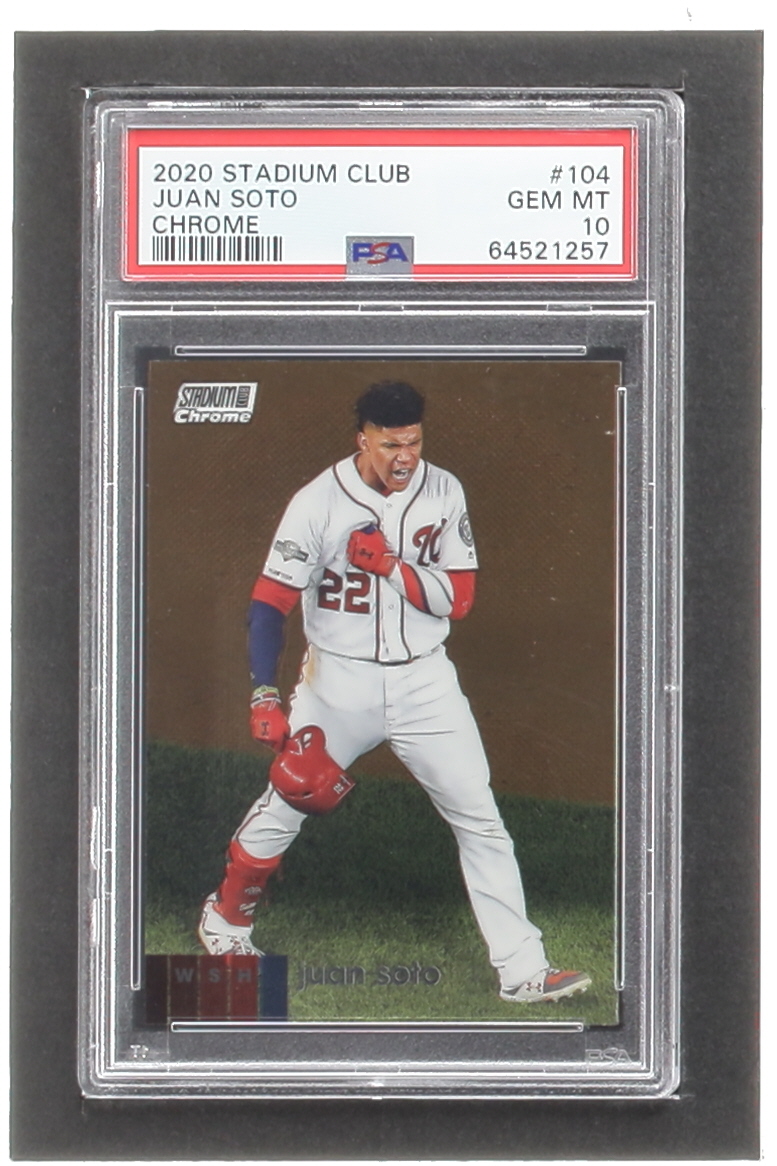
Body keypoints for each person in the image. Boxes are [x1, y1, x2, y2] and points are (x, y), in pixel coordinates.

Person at [198, 381, 591, 1003]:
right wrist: (263, 692)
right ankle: (225, 919)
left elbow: (459, 600)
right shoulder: (317, 502)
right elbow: (269, 603)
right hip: (337, 681)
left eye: (413, 442)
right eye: (390, 445)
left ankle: (524, 971)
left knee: (481, 820)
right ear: (363, 439)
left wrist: (389, 567)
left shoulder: (445, 491)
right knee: (291, 798)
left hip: (425, 682)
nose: (405, 456)